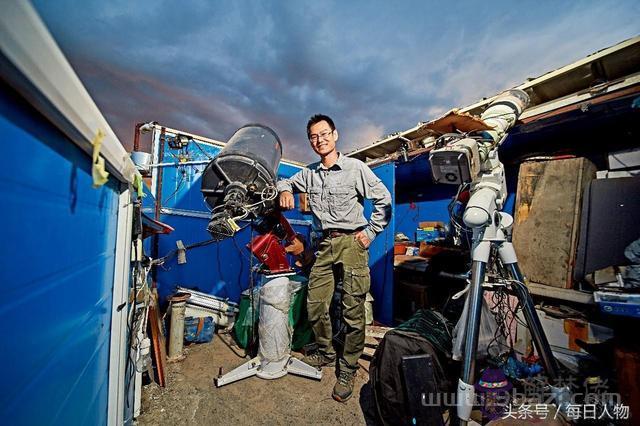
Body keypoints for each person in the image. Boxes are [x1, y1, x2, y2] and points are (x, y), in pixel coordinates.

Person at [277, 114, 392, 402]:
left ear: (335, 135)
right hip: (322, 246)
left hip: (352, 244)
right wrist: (285, 190)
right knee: (316, 306)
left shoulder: (356, 169)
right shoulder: (309, 173)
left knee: (353, 311)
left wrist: (371, 232)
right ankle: (327, 352)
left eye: (324, 134)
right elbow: (283, 182)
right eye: (314, 137)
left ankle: (348, 368)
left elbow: (384, 200)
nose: (320, 140)